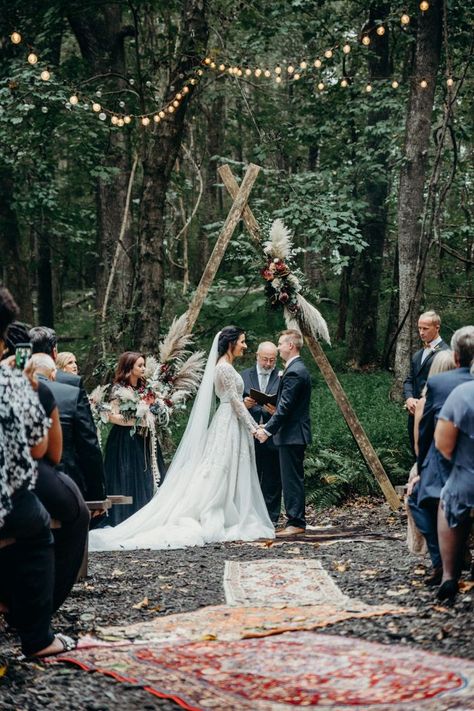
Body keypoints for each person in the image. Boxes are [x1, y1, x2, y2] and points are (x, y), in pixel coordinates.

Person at [89, 326, 275, 551]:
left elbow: (235, 401)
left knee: (229, 466)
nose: (245, 346)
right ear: (230, 343)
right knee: (219, 468)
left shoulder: (226, 366)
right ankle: (218, 511)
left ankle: (234, 509)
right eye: (242, 341)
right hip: (228, 421)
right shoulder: (224, 368)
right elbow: (234, 401)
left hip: (231, 420)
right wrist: (254, 428)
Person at [0, 287, 74, 657]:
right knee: (36, 524)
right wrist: (28, 388)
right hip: (7, 499)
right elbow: (40, 450)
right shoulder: (12, 383)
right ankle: (39, 638)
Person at [409, 326, 474, 585]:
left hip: (455, 467)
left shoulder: (443, 385)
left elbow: (433, 439)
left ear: (455, 356)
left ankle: (445, 568)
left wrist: (422, 469)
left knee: (424, 498)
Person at [25, 353, 90, 607]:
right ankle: (45, 605)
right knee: (77, 513)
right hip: (25, 475)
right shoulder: (41, 392)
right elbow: (46, 452)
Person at [28, 327, 106, 510]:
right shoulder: (69, 391)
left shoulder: (8, 389)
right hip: (65, 485)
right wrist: (97, 495)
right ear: (54, 352)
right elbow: (89, 445)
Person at [256, 329, 312, 537]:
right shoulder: (294, 369)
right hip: (291, 434)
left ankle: (296, 521)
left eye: (280, 344)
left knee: (291, 479)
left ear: (290, 345)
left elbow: (286, 407)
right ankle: (294, 519)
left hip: (292, 434)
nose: (278, 347)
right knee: (291, 478)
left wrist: (267, 430)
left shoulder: (295, 371)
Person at [102, 352, 166, 526]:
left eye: (144, 365)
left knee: (147, 475)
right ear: (129, 368)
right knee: (127, 475)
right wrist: (134, 421)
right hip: (125, 439)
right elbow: (111, 416)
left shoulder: (146, 389)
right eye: (140, 365)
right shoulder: (118, 389)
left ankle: (149, 517)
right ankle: (126, 517)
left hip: (145, 439)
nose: (144, 368)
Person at [434, 373, 474, 602]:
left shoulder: (462, 394)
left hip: (468, 478)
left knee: (447, 499)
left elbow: (443, 444)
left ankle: (449, 575)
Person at [242, 341, 281, 525]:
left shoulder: (283, 377)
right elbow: (230, 404)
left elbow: (288, 403)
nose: (267, 364)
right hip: (249, 434)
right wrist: (245, 404)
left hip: (272, 433)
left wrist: (276, 411)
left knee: (273, 478)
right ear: (257, 356)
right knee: (250, 476)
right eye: (265, 359)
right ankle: (250, 515)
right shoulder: (243, 376)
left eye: (272, 360)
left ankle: (272, 518)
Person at [403, 311, 450, 456]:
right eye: (419, 328)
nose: (421, 332)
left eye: (425, 328)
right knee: (417, 457)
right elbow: (409, 380)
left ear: (437, 327)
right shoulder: (418, 355)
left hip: (433, 417)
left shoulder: (446, 354)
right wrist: (409, 398)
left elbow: (445, 387)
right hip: (413, 415)